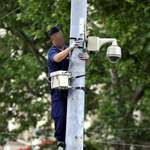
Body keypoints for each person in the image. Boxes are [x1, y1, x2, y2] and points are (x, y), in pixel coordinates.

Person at [47, 26, 80, 147]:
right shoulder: (52, 51)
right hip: (58, 89)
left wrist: (84, 55)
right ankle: (61, 139)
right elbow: (56, 58)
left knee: (76, 112)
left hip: (71, 86)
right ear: (53, 40)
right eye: (58, 37)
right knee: (60, 114)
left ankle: (77, 138)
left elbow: (81, 62)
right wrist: (71, 48)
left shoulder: (67, 48)